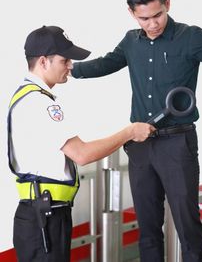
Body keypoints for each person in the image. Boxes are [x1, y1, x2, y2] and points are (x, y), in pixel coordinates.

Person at [70, 0, 202, 261]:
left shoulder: (190, 37)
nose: (152, 24)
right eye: (143, 18)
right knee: (147, 227)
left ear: (167, 4)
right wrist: (69, 69)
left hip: (177, 143)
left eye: (157, 15)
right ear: (131, 12)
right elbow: (105, 63)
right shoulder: (130, 42)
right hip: (140, 146)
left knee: (188, 226)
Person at [7, 25, 155, 262]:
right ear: (44, 61)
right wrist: (129, 132)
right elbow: (81, 154)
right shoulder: (39, 103)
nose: (70, 66)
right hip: (44, 217)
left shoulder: (27, 96)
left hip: (43, 213)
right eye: (64, 60)